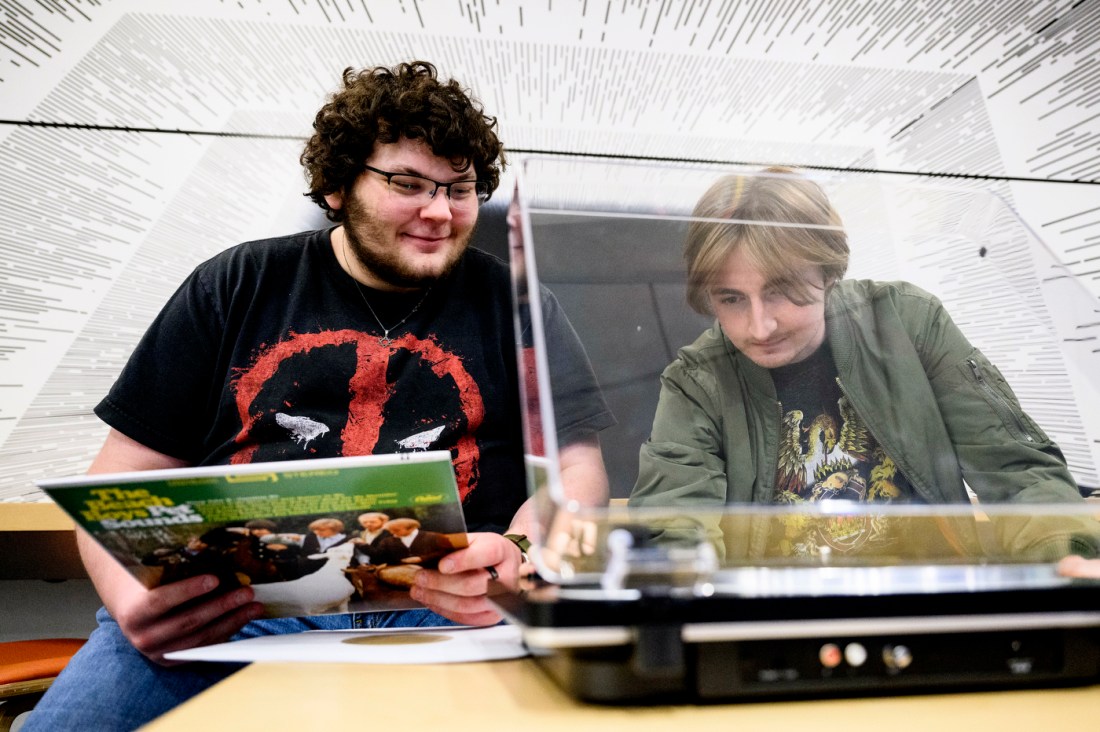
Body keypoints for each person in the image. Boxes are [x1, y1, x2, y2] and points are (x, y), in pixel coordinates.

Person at [27, 60, 613, 731]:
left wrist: (523, 557)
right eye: (408, 183)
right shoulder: (235, 284)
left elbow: (576, 469)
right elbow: (122, 477)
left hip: (448, 609)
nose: (439, 211)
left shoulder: (516, 303)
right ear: (337, 184)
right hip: (232, 614)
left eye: (460, 189)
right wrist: (128, 596)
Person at [629, 166, 1097, 561]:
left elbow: (1017, 472)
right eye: (731, 299)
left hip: (930, 598)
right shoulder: (698, 380)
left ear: (828, 272)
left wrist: (1065, 556)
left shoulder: (908, 322)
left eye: (779, 290)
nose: (759, 326)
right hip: (773, 624)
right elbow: (675, 523)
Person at [372, 517, 455, 566]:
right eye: (390, 530)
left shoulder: (435, 537)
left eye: (396, 530)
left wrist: (422, 559)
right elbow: (377, 558)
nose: (392, 533)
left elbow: (450, 553)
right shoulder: (387, 542)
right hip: (399, 578)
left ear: (412, 528)